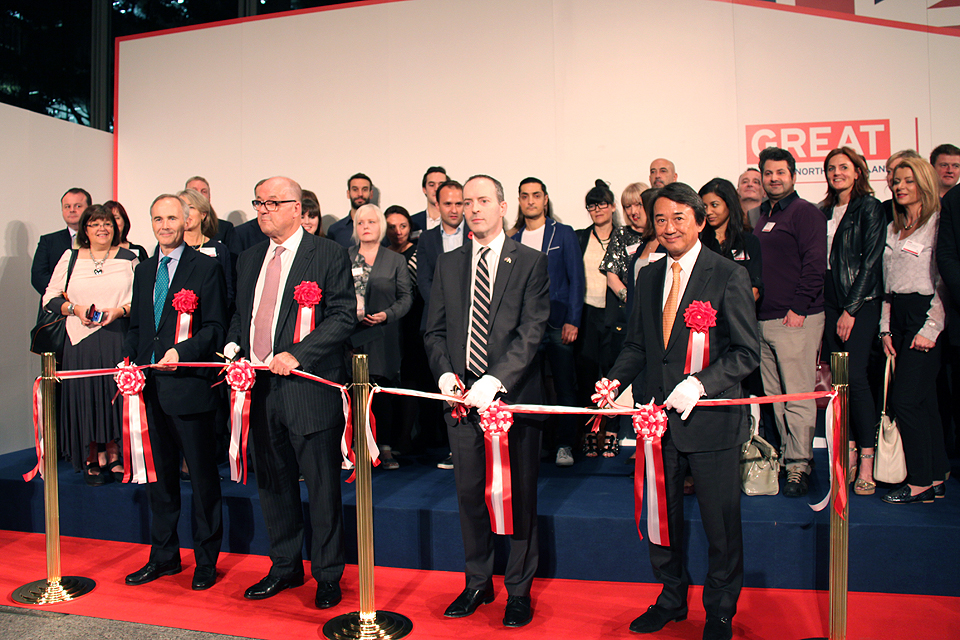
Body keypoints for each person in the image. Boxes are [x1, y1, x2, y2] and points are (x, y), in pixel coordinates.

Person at [602, 182, 759, 640]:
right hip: (657, 420)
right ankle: (671, 599)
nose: (668, 228)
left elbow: (746, 352)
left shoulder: (727, 273)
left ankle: (721, 610)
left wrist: (701, 383)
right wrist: (615, 379)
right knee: (661, 519)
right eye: (661, 220)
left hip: (711, 422)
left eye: (678, 219)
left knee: (720, 523)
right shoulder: (647, 274)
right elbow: (637, 345)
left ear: (700, 220)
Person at [424, 174, 549, 628]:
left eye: (482, 200)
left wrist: (495, 379)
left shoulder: (530, 262)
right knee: (469, 495)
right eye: (464, 202)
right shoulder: (449, 262)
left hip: (511, 401)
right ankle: (477, 581)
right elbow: (433, 329)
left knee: (518, 497)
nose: (472, 208)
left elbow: (532, 331)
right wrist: (443, 371)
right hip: (460, 403)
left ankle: (518, 589)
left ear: (501, 206)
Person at [224, 176, 356, 609]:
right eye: (258, 202)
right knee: (274, 484)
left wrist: (298, 354)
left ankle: (328, 574)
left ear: (298, 209)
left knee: (321, 487)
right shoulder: (248, 258)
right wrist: (232, 348)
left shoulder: (329, 253)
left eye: (273, 203)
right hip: (259, 389)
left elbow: (341, 317)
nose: (263, 210)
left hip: (308, 387)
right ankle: (284, 566)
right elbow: (241, 315)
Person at [121, 194, 227, 591]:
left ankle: (205, 561)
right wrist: (128, 359)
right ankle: (163, 557)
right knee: (160, 481)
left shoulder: (207, 267)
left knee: (201, 481)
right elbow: (137, 330)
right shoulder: (145, 270)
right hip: (149, 391)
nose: (164, 225)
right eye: (157, 218)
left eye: (171, 218)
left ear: (187, 221)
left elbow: (215, 327)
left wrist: (180, 352)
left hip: (189, 391)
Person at [41, 205, 137, 484]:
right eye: (95, 224)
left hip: (116, 336)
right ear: (85, 229)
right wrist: (74, 308)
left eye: (107, 223)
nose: (102, 229)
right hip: (79, 340)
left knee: (112, 396)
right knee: (86, 397)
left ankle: (115, 452)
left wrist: (120, 311)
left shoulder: (130, 258)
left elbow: (141, 301)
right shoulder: (70, 257)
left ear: (115, 227)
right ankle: (90, 455)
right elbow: (49, 298)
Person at [752, 147, 826, 498]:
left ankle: (800, 465)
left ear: (793, 175)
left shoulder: (806, 213)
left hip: (795, 317)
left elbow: (815, 264)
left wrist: (798, 308)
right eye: (768, 173)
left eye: (780, 172)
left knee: (797, 396)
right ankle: (785, 458)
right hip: (762, 320)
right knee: (775, 397)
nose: (774, 178)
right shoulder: (758, 215)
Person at [880, 157, 948, 504]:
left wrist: (932, 327)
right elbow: (888, 284)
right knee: (924, 402)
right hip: (899, 317)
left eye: (908, 180)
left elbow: (942, 283)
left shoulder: (937, 224)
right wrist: (885, 327)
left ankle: (919, 481)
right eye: (896, 181)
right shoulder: (895, 227)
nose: (900, 186)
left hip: (926, 315)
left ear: (923, 182)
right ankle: (936, 475)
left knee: (905, 401)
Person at [817, 148, 885, 496]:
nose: (836, 172)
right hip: (828, 303)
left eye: (844, 167)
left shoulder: (869, 207)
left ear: (858, 171)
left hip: (859, 304)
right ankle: (850, 453)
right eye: (831, 167)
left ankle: (869, 460)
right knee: (838, 385)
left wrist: (851, 309)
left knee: (856, 380)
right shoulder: (823, 210)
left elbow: (871, 263)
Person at [511, 177, 584, 467]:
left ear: (545, 199)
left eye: (536, 195)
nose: (531, 200)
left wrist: (573, 320)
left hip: (558, 323)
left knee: (565, 385)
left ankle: (565, 444)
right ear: (518, 200)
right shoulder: (513, 240)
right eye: (525, 195)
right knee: (528, 387)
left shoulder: (563, 234)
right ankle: (534, 445)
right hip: (526, 328)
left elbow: (576, 279)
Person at [348, 204, 413, 469]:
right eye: (361, 222)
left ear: (381, 226)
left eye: (371, 222)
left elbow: (407, 297)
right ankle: (357, 446)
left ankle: (383, 447)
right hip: (352, 335)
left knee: (382, 394)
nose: (366, 226)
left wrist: (387, 315)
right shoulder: (345, 256)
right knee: (354, 393)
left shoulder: (395, 259)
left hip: (384, 336)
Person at [416, 179, 466, 468]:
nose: (454, 209)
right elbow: (424, 281)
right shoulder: (427, 239)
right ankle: (452, 448)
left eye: (459, 203)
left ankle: (469, 447)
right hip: (438, 322)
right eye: (448, 203)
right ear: (437, 205)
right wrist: (445, 310)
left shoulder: (475, 234)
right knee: (445, 385)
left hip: (473, 323)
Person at [575, 180, 619, 457]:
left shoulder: (626, 237)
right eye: (592, 205)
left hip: (616, 315)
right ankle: (591, 432)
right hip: (586, 314)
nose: (598, 209)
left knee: (613, 378)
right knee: (587, 375)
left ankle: (612, 433)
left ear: (613, 206)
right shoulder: (579, 237)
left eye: (602, 203)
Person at [385, 205, 421, 455]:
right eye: (391, 226)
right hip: (386, 327)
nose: (398, 232)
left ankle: (405, 438)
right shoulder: (381, 255)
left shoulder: (418, 253)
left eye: (403, 226)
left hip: (412, 325)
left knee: (411, 381)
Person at [698, 178, 762, 301]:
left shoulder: (749, 241)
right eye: (704, 206)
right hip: (704, 315)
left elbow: (755, 287)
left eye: (714, 205)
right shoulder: (698, 242)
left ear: (729, 204)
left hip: (740, 313)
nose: (708, 212)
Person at [177, 189, 234, 310]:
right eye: (182, 208)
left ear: (203, 214)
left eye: (191, 207)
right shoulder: (170, 248)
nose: (185, 213)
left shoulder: (219, 249)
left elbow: (227, 290)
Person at [32, 187, 90, 295]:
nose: (72, 210)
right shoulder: (48, 241)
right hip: (56, 305)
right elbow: (38, 277)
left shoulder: (98, 241)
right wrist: (61, 296)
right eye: (67, 206)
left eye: (78, 206)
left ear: (89, 209)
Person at [185, 176, 235, 248]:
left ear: (209, 197)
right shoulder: (176, 229)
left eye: (204, 191)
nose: (199, 195)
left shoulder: (224, 228)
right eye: (194, 191)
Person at [327, 173, 373, 247]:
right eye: (355, 189)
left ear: (371, 194)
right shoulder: (335, 230)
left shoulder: (382, 227)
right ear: (348, 194)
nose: (360, 194)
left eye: (364, 189)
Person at [410, 166, 448, 238]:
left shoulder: (459, 221)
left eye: (441, 185)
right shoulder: (412, 222)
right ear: (424, 189)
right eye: (431, 185)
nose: (436, 189)